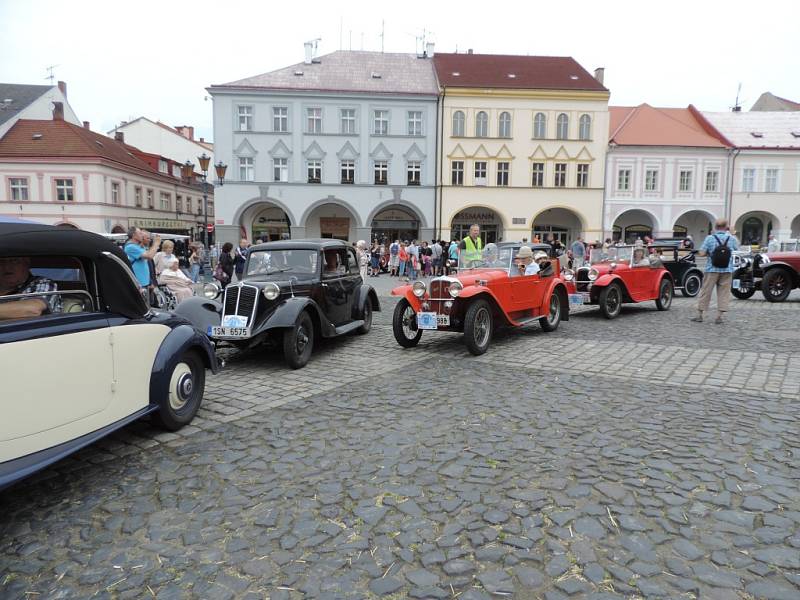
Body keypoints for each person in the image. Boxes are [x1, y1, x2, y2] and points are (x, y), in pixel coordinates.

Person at [692, 218, 739, 324]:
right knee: (724, 293)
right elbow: (736, 249)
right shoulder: (731, 238)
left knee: (706, 291)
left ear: (715, 227)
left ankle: (700, 315)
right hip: (727, 269)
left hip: (711, 269)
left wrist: (709, 253)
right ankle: (719, 317)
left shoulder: (710, 238)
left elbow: (702, 253)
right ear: (726, 227)